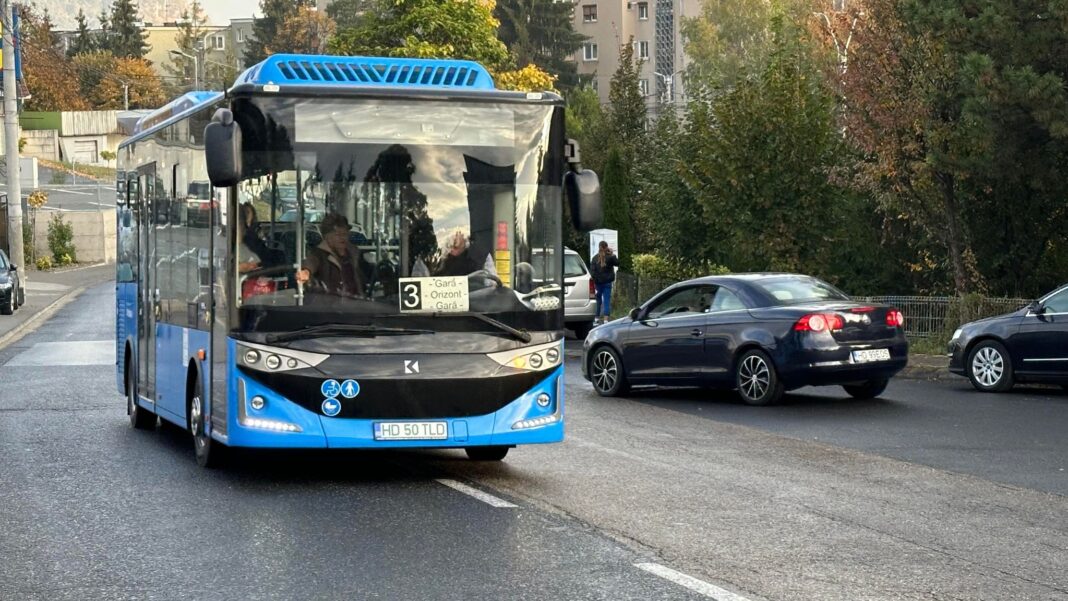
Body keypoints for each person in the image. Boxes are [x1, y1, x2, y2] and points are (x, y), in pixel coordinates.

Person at [296, 213, 365, 297]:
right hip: (330, 302)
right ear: (326, 236)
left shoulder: (353, 253)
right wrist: (306, 271)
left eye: (345, 234)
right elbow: (311, 262)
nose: (342, 238)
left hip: (357, 302)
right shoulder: (319, 254)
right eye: (338, 235)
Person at [590, 240, 619, 325]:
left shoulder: (594, 258)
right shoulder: (610, 257)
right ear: (606, 247)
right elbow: (617, 263)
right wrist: (613, 254)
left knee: (598, 300)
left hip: (598, 283)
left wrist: (596, 280)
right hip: (607, 282)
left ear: (599, 247)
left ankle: (596, 318)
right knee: (606, 300)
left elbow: (592, 272)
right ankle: (606, 320)